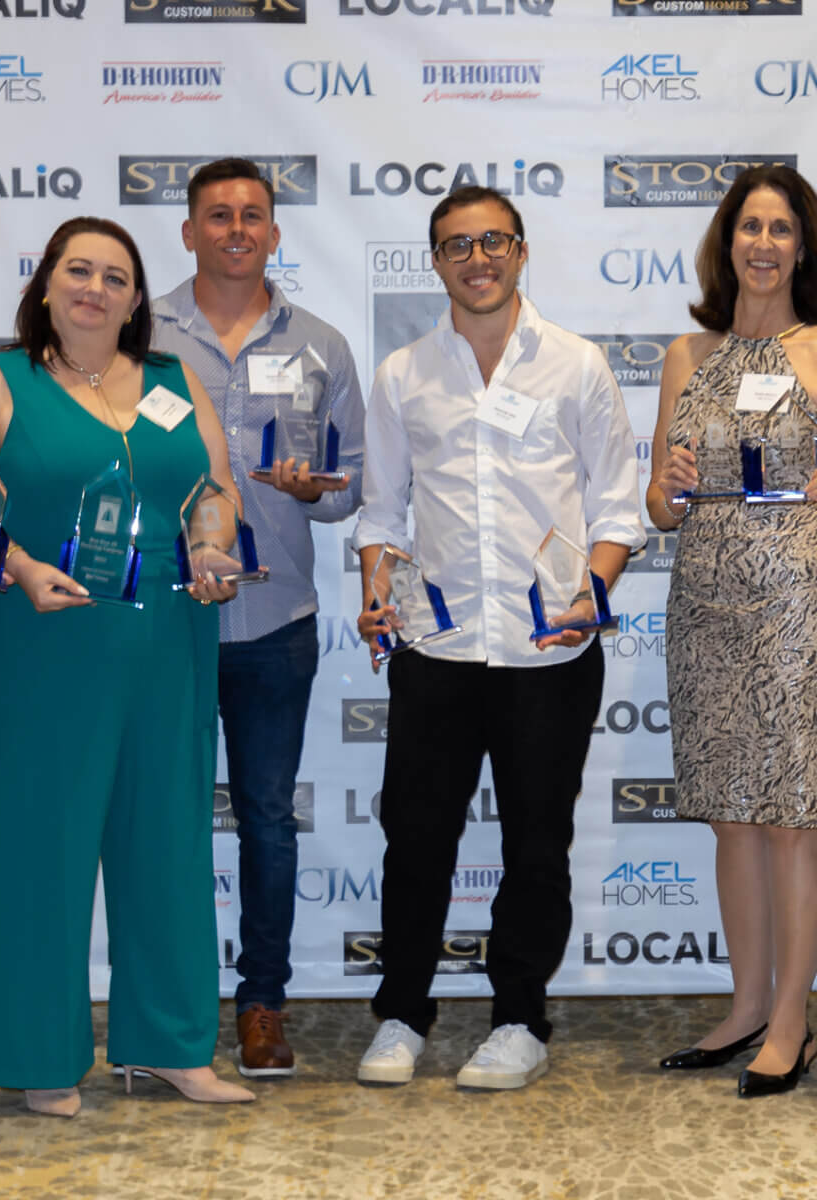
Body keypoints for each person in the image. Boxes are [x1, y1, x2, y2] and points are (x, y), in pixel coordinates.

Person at [0, 216, 252, 1115]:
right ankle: (39, 1055)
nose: (95, 288)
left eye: (115, 276)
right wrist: (20, 567)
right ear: (45, 285)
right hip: (48, 641)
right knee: (44, 844)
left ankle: (171, 1046)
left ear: (134, 299)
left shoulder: (170, 379)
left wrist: (210, 542)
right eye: (77, 271)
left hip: (169, 638)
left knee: (166, 841)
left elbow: (215, 488)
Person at [352, 186, 645, 1090]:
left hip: (547, 651)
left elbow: (618, 505)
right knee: (418, 836)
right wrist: (374, 582)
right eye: (456, 246)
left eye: (492, 242)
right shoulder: (404, 372)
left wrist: (593, 593)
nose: (476, 259)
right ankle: (402, 1011)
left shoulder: (577, 365)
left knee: (535, 843)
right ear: (434, 261)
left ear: (520, 251)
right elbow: (380, 508)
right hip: (436, 650)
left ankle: (520, 1016)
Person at [647, 165, 817, 1097]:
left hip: (797, 604)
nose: (763, 244)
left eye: (781, 229)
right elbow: (661, 506)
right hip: (703, 601)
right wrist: (662, 490)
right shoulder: (686, 353)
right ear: (727, 243)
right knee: (731, 814)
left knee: (791, 818)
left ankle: (792, 1020)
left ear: (804, 246)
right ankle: (746, 1003)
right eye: (749, 227)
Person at [151, 158, 365, 1079]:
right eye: (217, 214)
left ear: (276, 234)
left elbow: (349, 485)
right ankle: (171, 1006)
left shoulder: (322, 344)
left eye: (253, 216)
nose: (237, 228)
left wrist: (317, 491)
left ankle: (264, 1003)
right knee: (161, 819)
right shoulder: (138, 340)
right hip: (166, 621)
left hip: (277, 621)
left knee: (268, 821)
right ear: (189, 231)